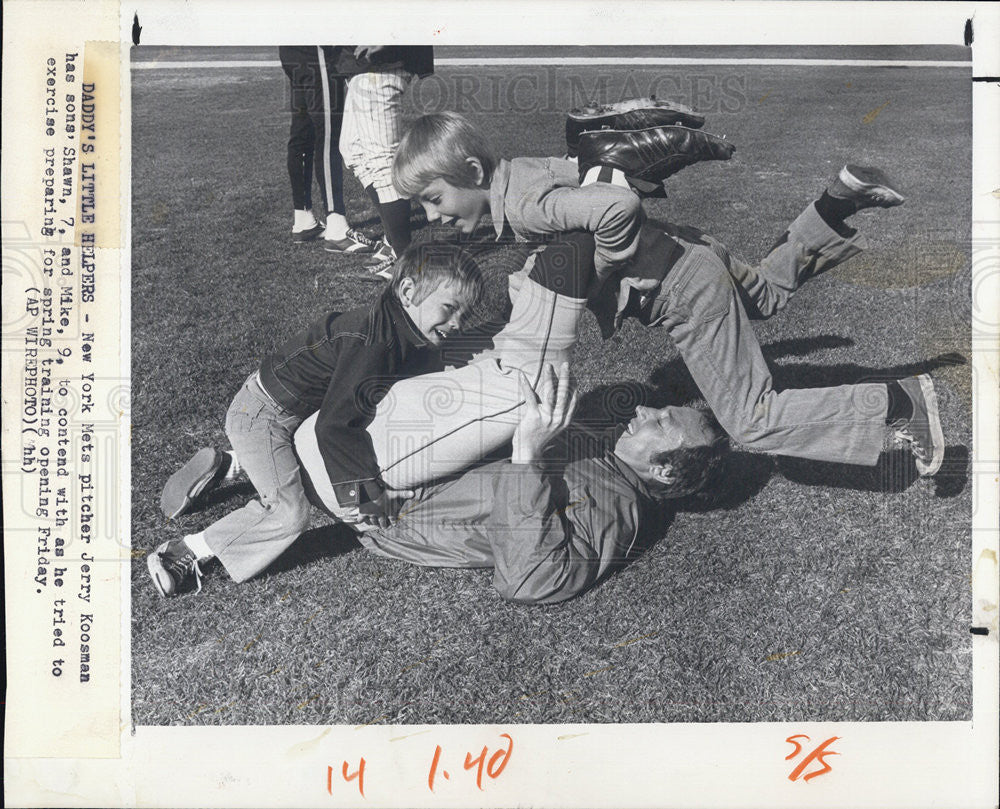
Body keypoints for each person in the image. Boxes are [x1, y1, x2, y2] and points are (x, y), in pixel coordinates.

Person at [359, 111, 944, 492]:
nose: (432, 215)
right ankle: (838, 201)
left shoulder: (528, 206)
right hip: (687, 251)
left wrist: (596, 270)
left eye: (434, 198)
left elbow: (615, 212)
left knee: (751, 420)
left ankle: (894, 400)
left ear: (471, 170)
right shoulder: (525, 172)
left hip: (682, 288)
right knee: (762, 297)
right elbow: (594, 177)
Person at [147, 242, 483, 596]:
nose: (458, 323)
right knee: (289, 512)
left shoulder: (397, 327)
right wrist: (366, 495)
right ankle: (187, 550)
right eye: (449, 308)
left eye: (466, 313)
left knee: (304, 452)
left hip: (289, 412)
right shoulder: (372, 341)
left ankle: (232, 465)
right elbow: (335, 427)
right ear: (408, 291)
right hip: (263, 416)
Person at [301, 363, 730, 605]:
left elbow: (533, 579)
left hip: (386, 503)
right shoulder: (603, 455)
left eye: (660, 421)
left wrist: (527, 452)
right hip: (394, 467)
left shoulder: (615, 510)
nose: (642, 409)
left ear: (665, 470)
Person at [334, 45, 435, 276]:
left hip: (380, 65)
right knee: (354, 150)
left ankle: (406, 262)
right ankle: (394, 242)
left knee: (382, 162)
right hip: (363, 67)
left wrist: (387, 36)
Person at [278, 46, 376, 252]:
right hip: (316, 50)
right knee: (328, 137)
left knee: (302, 133)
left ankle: (304, 220)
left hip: (292, 49)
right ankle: (337, 226)